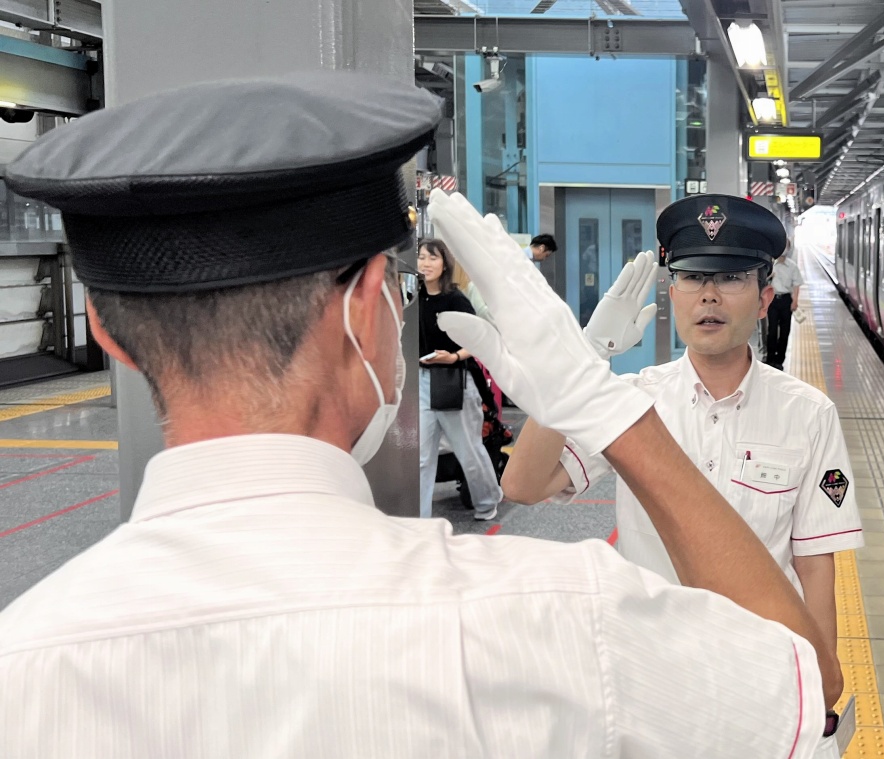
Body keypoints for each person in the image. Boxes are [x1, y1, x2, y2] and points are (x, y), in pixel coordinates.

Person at [0, 71, 840, 758]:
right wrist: (600, 400)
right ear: (371, 308)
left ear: (109, 334)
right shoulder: (560, 617)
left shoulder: (22, 667)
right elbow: (805, 683)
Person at [503, 194, 864, 690]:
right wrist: (584, 360)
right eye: (692, 278)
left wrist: (822, 689)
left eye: (732, 278)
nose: (708, 296)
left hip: (758, 672)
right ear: (673, 295)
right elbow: (523, 484)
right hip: (651, 673)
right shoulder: (631, 401)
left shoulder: (807, 414)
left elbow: (815, 563)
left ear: (764, 300)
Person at [417, 238, 504, 520]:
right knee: (420, 456)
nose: (425, 263)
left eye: (432, 258)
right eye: (421, 257)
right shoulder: (414, 298)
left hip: (454, 380)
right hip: (421, 382)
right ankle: (420, 517)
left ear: (444, 264)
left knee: (468, 451)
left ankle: (488, 501)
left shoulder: (455, 299)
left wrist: (454, 357)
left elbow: (481, 338)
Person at [765, 240, 804, 370]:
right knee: (772, 330)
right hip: (772, 300)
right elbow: (762, 280)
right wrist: (770, 275)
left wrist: (795, 301)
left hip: (786, 299)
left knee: (785, 331)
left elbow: (797, 284)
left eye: (786, 247)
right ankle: (770, 358)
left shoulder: (792, 266)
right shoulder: (770, 265)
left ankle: (780, 360)